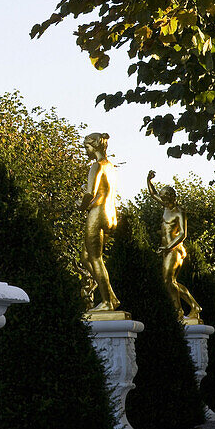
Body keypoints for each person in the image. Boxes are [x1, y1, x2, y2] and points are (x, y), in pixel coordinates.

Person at [146, 171, 202, 322]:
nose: (162, 200)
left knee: (168, 281)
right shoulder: (166, 207)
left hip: (175, 250)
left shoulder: (179, 212)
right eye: (162, 198)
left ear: (171, 197)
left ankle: (184, 309)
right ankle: (186, 309)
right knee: (171, 282)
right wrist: (149, 180)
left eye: (165, 198)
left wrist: (168, 247)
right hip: (167, 250)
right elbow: (152, 194)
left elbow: (182, 234)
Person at [78, 132, 120, 312]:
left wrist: (81, 206)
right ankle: (111, 296)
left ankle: (107, 301)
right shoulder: (111, 166)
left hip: (97, 213)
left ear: (94, 147)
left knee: (95, 258)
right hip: (110, 214)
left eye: (86, 147)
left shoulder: (96, 166)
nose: (85, 151)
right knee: (85, 256)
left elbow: (90, 193)